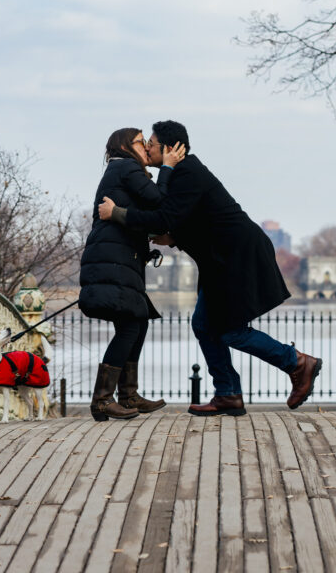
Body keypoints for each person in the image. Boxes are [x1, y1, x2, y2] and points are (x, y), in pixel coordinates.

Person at [98, 120, 321, 415]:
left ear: (167, 149)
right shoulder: (182, 174)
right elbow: (186, 219)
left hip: (235, 258)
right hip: (220, 260)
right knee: (204, 324)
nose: (148, 148)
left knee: (230, 330)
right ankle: (227, 393)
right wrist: (173, 236)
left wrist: (117, 213)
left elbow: (164, 216)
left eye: (151, 143)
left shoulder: (187, 173)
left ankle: (297, 362)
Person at [79, 127, 185, 420]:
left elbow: (138, 213)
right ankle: (103, 399)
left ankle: (128, 395)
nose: (146, 148)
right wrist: (167, 168)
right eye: (141, 142)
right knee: (129, 327)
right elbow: (157, 200)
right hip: (113, 260)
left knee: (137, 323)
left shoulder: (119, 171)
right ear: (126, 146)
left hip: (118, 259)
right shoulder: (125, 166)